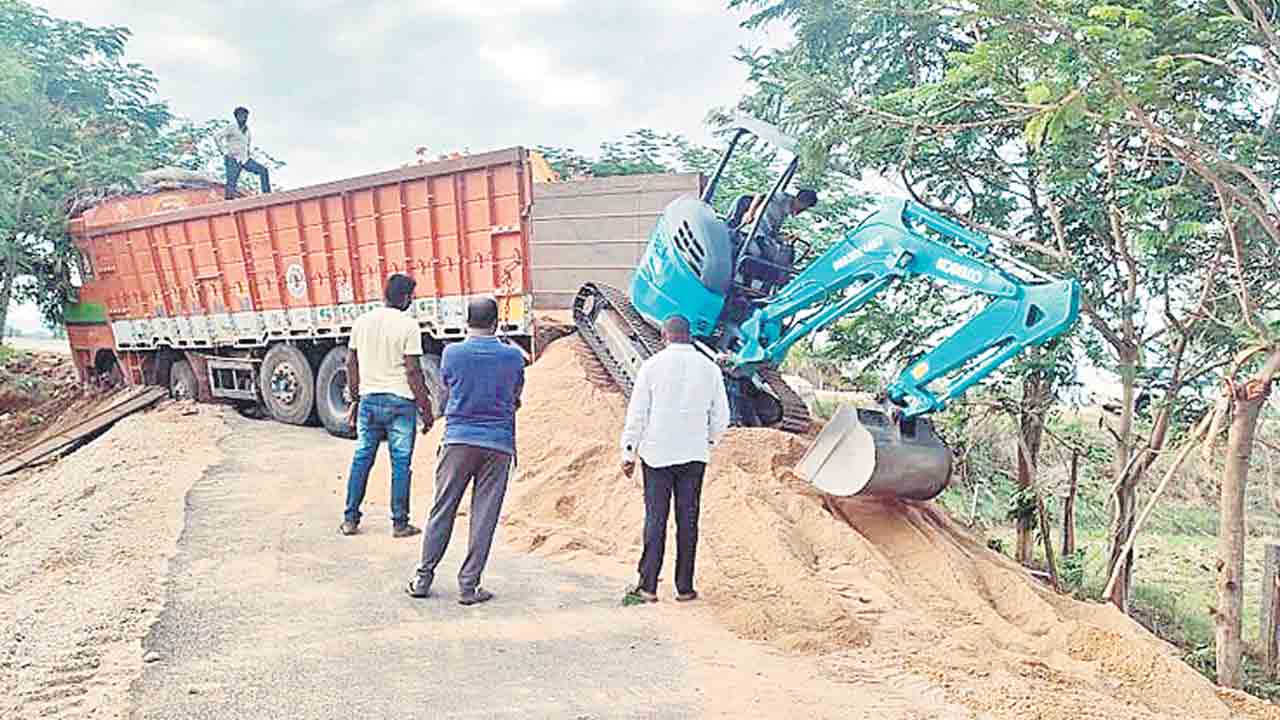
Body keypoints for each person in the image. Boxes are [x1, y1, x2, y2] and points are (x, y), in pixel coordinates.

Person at [407, 297, 525, 606]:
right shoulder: (513, 357)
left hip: (458, 440)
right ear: (496, 322)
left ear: (466, 321)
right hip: (498, 444)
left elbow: (448, 390)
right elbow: (516, 395)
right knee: (483, 516)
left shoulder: (452, 353)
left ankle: (423, 578)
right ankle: (469, 586)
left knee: (442, 508)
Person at [619, 315, 730, 603]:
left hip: (657, 454)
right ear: (688, 335)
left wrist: (629, 452)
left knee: (656, 518)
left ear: (664, 336)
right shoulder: (709, 369)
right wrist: (707, 441)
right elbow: (721, 417)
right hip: (694, 456)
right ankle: (684, 587)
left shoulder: (651, 368)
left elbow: (638, 414)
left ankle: (647, 586)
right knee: (688, 519)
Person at [340, 273, 434, 538]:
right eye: (411, 297)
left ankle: (350, 519)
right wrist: (426, 410)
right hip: (400, 403)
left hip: (369, 401)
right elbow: (414, 371)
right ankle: (399, 523)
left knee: (362, 459)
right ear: (404, 298)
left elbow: (350, 363)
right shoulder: (409, 326)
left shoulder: (362, 322)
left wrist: (356, 399)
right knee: (401, 463)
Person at [217, 106, 271, 200]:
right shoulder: (232, 128)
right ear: (236, 117)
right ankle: (228, 203)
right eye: (241, 115)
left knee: (263, 171)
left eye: (245, 116)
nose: (243, 118)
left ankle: (267, 195)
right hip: (233, 159)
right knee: (231, 182)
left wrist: (248, 155)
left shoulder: (248, 131)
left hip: (244, 159)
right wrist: (224, 152)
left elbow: (247, 145)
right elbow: (217, 137)